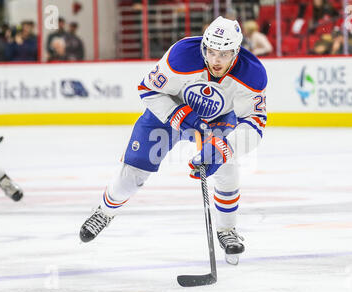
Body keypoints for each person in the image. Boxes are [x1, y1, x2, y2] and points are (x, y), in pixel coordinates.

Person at [79, 16, 268, 265]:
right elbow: (148, 90)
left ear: (236, 51)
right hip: (168, 112)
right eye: (211, 52)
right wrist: (178, 115)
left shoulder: (252, 73)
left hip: (218, 119)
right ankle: (104, 211)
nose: (215, 60)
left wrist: (223, 148)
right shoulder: (182, 54)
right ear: (204, 47)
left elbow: (254, 123)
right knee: (131, 176)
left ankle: (227, 230)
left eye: (223, 54)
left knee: (227, 165)